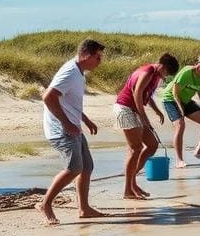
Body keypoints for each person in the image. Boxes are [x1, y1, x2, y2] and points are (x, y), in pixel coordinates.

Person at [36, 38, 106, 225]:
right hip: (61, 129)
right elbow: (48, 97)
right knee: (74, 168)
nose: (100, 62)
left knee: (87, 166)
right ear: (86, 55)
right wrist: (66, 123)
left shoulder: (79, 72)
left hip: (72, 125)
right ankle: (45, 204)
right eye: (98, 57)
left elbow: (69, 101)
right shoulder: (70, 72)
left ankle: (84, 209)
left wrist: (85, 119)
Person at [113, 53, 180, 199]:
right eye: (166, 72)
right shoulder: (147, 71)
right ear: (162, 66)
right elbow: (137, 93)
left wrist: (157, 111)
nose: (166, 76)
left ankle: (132, 182)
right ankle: (128, 190)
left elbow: (146, 96)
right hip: (125, 108)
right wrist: (145, 119)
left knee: (152, 144)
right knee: (135, 148)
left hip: (134, 110)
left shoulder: (156, 76)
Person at [161, 54, 200, 168]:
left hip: (186, 100)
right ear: (198, 62)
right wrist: (180, 109)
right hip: (171, 99)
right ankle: (179, 160)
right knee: (180, 125)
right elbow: (175, 92)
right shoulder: (187, 72)